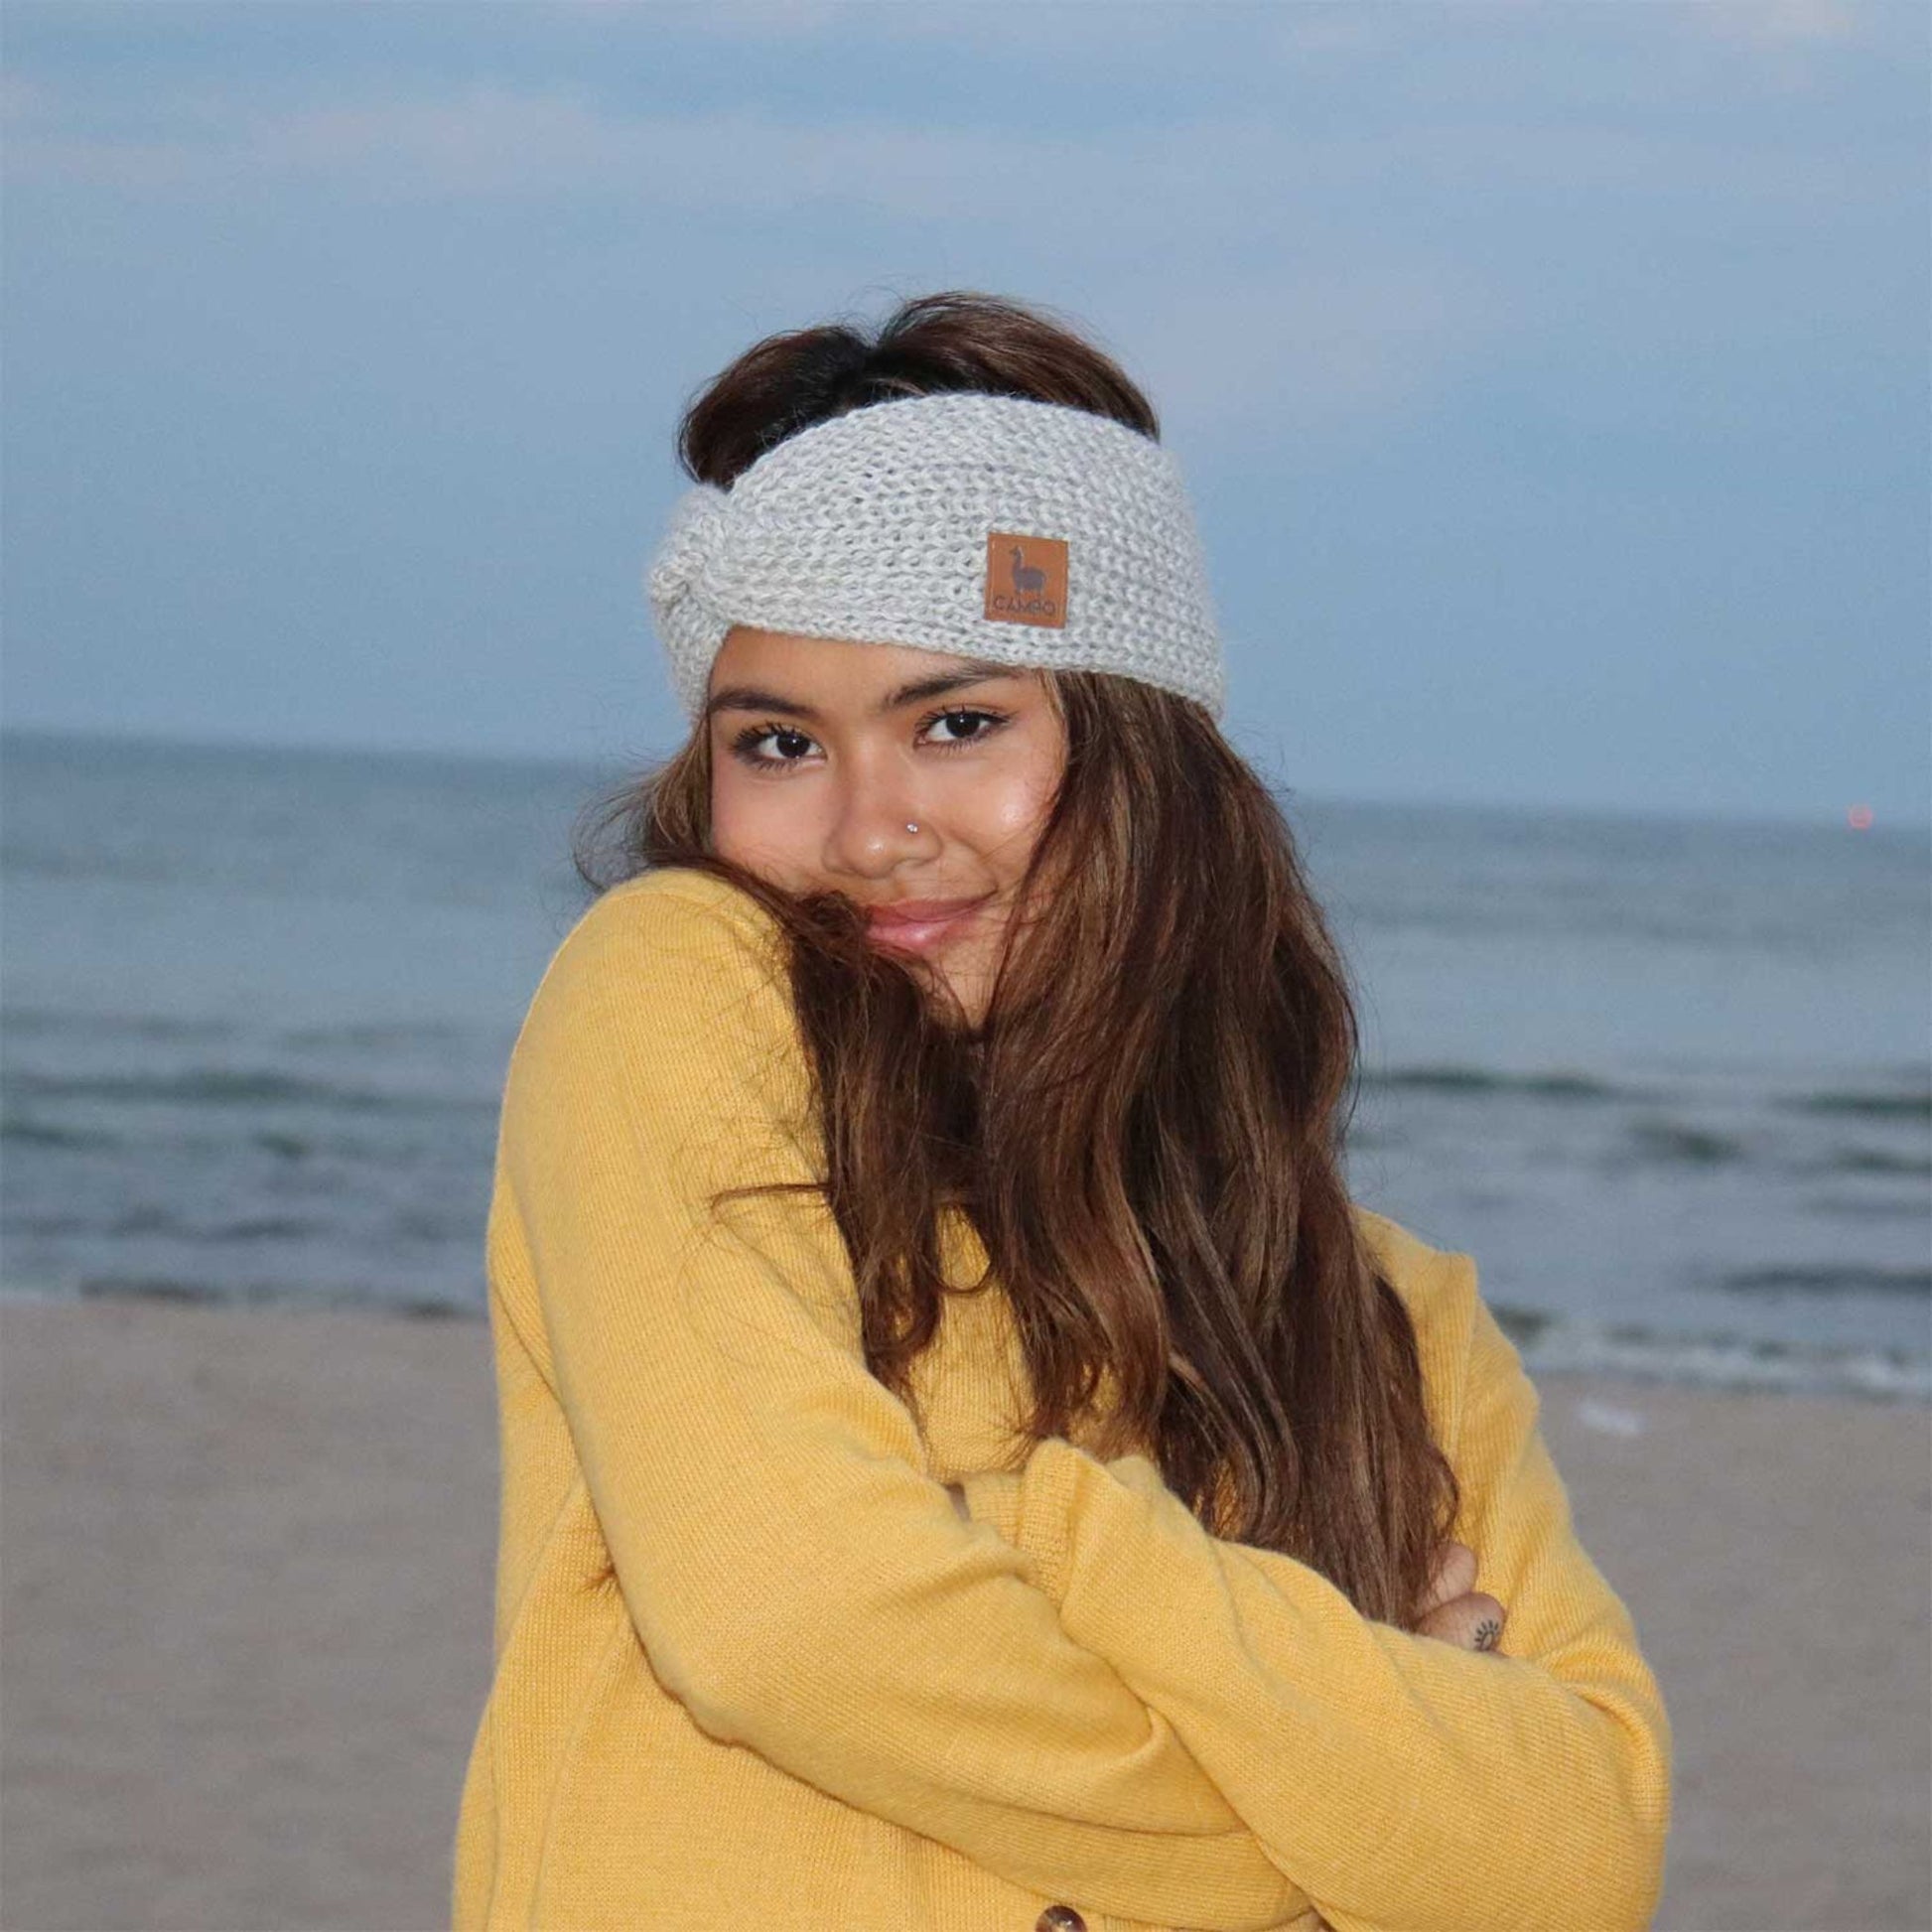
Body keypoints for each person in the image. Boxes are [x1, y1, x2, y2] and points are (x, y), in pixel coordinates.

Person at [451, 290, 1671, 1932]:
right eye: (778, 742)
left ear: (1144, 754)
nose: (875, 828)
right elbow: (787, 1621)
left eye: (958, 723)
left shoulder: (1388, 1320)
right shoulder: (671, 986)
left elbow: (1574, 1862)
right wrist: (1337, 1829)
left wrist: (1057, 1531)